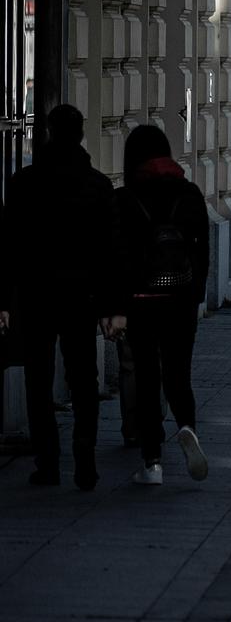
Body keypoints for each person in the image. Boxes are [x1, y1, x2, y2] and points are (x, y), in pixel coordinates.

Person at [0, 104, 118, 489]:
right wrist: (109, 306)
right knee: (84, 379)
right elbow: (108, 253)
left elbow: (9, 248)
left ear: (47, 132)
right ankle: (85, 461)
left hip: (36, 295)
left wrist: (4, 299)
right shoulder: (99, 187)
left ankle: (48, 463)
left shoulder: (23, 184)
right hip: (81, 296)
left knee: (38, 379)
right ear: (82, 135)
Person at [113, 124, 210, 486]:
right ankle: (187, 427)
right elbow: (202, 249)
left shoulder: (124, 198)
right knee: (178, 373)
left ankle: (152, 461)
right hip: (180, 298)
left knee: (147, 377)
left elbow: (117, 256)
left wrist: (117, 304)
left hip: (141, 300)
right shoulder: (189, 193)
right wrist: (197, 293)